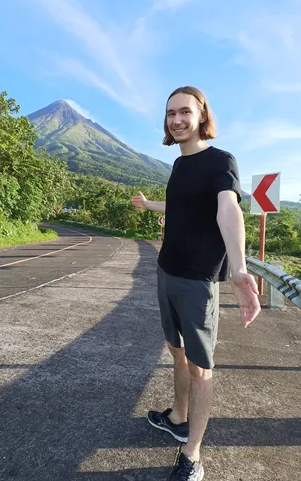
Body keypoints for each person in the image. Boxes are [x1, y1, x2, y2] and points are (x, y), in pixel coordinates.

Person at [132, 86, 261, 481]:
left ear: (202, 115)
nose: (177, 119)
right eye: (171, 113)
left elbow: (228, 208)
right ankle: (178, 416)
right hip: (166, 272)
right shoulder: (179, 165)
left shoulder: (221, 161)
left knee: (200, 366)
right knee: (175, 349)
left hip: (197, 282)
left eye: (185, 112)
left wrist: (238, 268)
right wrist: (151, 207)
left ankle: (192, 455)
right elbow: (182, 203)